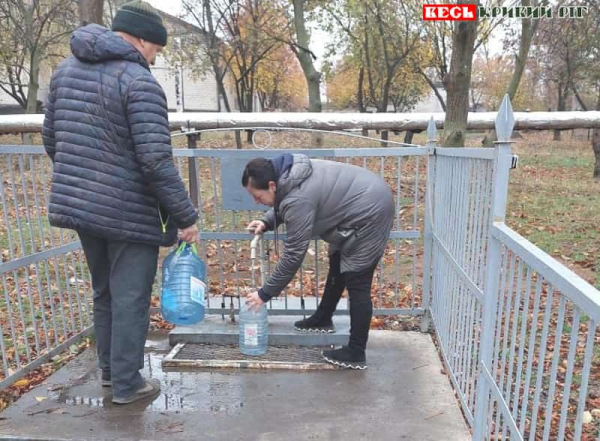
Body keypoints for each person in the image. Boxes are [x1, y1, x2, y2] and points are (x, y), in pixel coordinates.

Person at [42, 1, 199, 404]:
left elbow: (51, 140)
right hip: (129, 213)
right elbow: (155, 161)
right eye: (156, 50)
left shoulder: (65, 71)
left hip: (82, 208)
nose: (154, 58)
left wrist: (86, 181)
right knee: (129, 298)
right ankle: (129, 385)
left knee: (104, 293)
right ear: (143, 39)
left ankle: (112, 374)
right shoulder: (138, 81)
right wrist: (186, 216)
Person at [242, 154, 394, 369]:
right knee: (337, 260)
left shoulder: (297, 198)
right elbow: (285, 200)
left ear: (271, 184)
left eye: (257, 196)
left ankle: (356, 351)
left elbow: (294, 253)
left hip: (370, 209)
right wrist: (267, 221)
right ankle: (323, 317)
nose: (255, 201)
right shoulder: (288, 174)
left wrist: (264, 293)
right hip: (363, 198)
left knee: (357, 279)